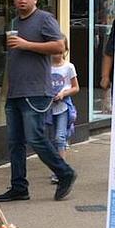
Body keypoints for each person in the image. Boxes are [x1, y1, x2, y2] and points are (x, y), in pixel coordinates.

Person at [0, 0, 76, 203]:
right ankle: (19, 187)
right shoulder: (13, 22)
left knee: (36, 138)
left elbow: (59, 46)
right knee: (14, 142)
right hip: (15, 91)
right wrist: (6, 88)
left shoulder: (44, 19)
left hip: (36, 91)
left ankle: (64, 173)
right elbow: (13, 57)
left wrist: (26, 44)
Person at [46, 38, 78, 183]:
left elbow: (75, 87)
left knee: (60, 137)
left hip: (63, 106)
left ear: (65, 50)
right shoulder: (46, 67)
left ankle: (61, 171)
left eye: (59, 52)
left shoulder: (69, 67)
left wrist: (63, 94)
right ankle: (57, 167)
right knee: (52, 139)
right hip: (48, 108)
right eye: (53, 52)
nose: (56, 55)